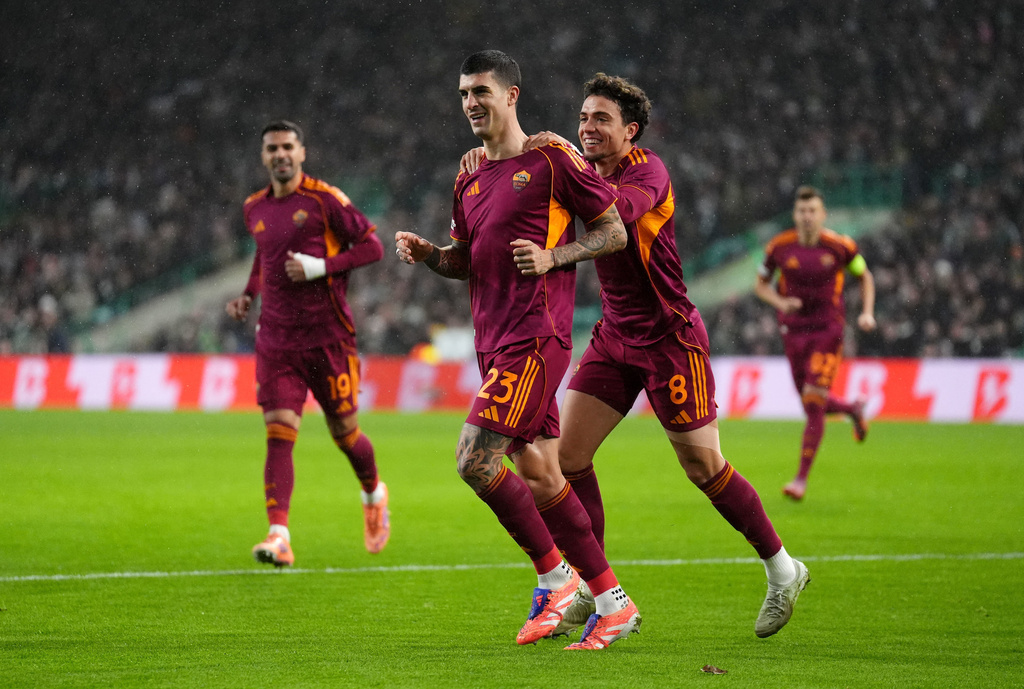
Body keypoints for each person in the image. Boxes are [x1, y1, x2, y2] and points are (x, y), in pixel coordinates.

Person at [462, 73, 811, 639]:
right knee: (568, 460)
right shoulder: (576, 167)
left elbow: (613, 217)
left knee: (703, 466)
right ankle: (595, 588)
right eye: (583, 117)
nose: (588, 127)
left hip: (670, 338)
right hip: (614, 336)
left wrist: (557, 157)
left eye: (601, 119)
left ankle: (782, 569)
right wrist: (496, 159)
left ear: (631, 131)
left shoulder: (648, 172)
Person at [395, 51, 640, 651]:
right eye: (463, 93)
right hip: (493, 342)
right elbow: (465, 262)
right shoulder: (468, 176)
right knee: (540, 472)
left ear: (511, 95)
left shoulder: (553, 159)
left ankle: (555, 579)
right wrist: (430, 256)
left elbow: (613, 231)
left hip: (536, 337)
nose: (470, 103)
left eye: (481, 90)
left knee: (474, 461)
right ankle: (613, 602)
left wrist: (554, 257)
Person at [226, 120, 389, 567]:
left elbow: (373, 247)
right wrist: (248, 294)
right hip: (276, 341)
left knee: (346, 435)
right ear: (263, 156)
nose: (280, 154)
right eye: (272, 148)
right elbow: (265, 255)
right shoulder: (254, 208)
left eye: (287, 147)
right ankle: (279, 535)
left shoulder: (324, 200)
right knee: (279, 434)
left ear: (302, 153)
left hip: (329, 339)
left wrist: (321, 268)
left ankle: (373, 494)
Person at [755, 185, 876, 501]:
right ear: (795, 215)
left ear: (823, 215)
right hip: (793, 331)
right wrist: (781, 303)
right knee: (812, 402)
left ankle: (800, 479)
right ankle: (852, 409)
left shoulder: (840, 247)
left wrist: (866, 312)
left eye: (812, 211)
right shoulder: (779, 247)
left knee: (813, 402)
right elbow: (761, 285)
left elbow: (864, 276)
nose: (807, 216)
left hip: (827, 330)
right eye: (802, 211)